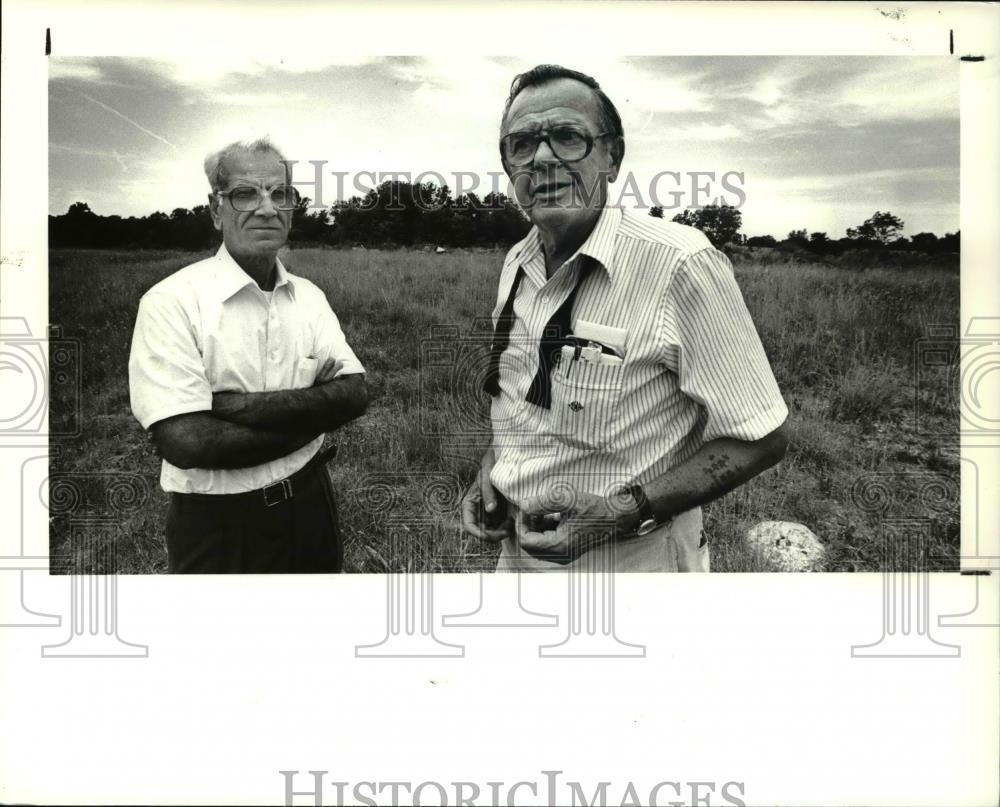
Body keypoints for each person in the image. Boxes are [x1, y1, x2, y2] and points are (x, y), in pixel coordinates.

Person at [460, 65, 789, 572]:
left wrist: (616, 515)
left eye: (567, 137)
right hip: (518, 556)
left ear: (612, 156)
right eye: (521, 144)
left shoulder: (679, 263)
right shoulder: (517, 262)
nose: (542, 157)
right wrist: (493, 471)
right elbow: (525, 396)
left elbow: (761, 439)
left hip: (633, 562)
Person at [128, 138, 368, 574]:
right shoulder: (171, 302)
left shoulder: (310, 298)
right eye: (245, 194)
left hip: (312, 507)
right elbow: (186, 441)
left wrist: (241, 407)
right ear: (216, 209)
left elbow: (355, 394)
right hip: (219, 526)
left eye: (280, 194)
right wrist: (316, 419)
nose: (267, 208)